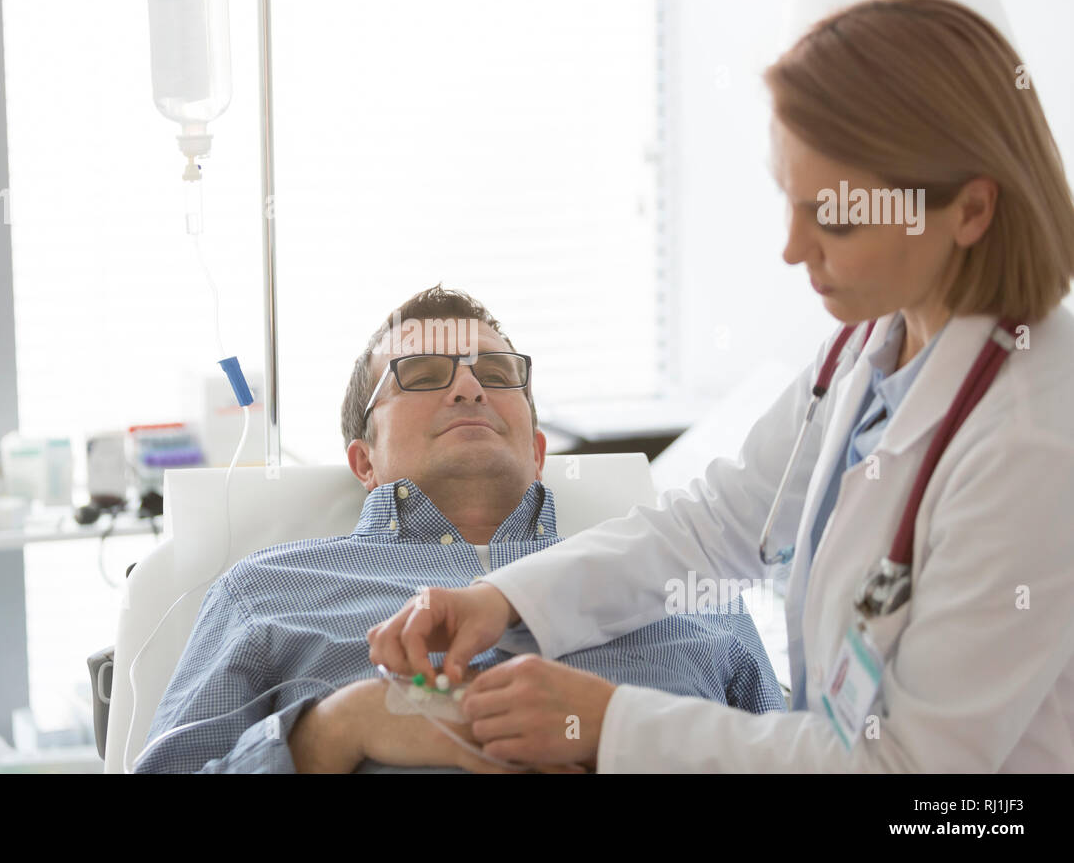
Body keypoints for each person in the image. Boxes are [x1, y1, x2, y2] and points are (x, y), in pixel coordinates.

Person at [367, 0, 1074, 772]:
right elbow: (714, 528)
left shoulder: (1034, 442)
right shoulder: (869, 349)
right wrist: (500, 600)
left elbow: (911, 769)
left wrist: (612, 722)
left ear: (970, 210)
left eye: (835, 219)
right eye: (790, 201)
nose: (793, 248)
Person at [138, 286, 784, 773]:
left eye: (498, 375)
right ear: (364, 460)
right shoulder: (266, 593)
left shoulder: (681, 583)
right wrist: (330, 732)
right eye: (421, 376)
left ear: (536, 452)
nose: (470, 387)